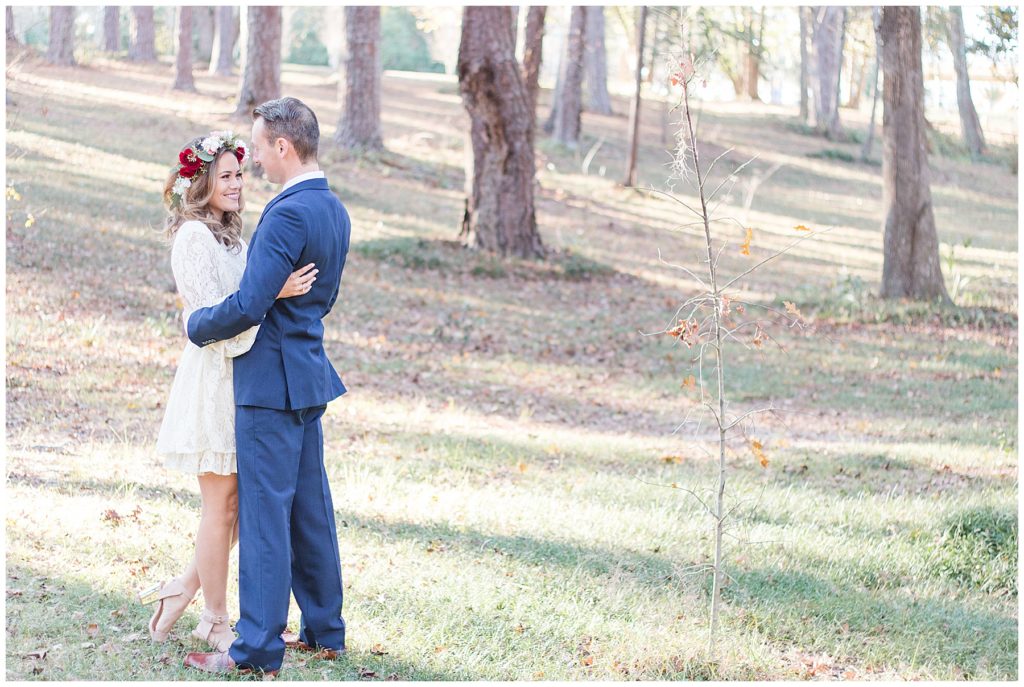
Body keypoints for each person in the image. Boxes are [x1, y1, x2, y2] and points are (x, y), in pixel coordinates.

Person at [182, 97, 351, 676]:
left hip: (268, 385)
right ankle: (326, 630)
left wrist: (195, 324)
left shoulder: (286, 213)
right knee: (310, 511)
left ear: (284, 146)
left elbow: (251, 304)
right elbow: (316, 298)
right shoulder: (334, 210)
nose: (253, 160)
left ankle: (254, 650)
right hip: (306, 374)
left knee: (264, 518)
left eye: (257, 148)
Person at [140, 131, 318, 653]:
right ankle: (216, 620)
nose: (238, 183)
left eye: (240, 174)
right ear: (201, 183)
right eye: (226, 176)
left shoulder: (233, 239)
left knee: (238, 507)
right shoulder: (192, 238)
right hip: (213, 379)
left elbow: (248, 301)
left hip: (246, 377)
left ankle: (184, 587)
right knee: (221, 505)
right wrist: (272, 291)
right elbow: (211, 318)